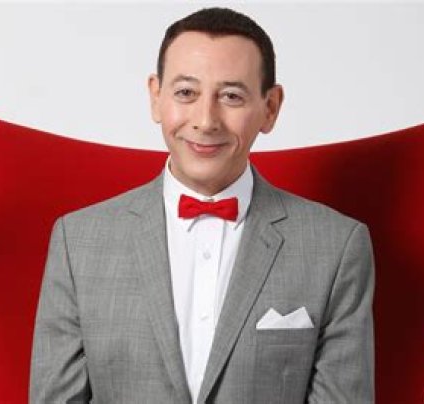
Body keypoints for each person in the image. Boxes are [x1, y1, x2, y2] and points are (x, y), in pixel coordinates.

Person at [30, 7, 374, 403]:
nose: (206, 120)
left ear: (270, 108)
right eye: (186, 93)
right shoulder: (77, 243)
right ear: (156, 97)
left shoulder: (337, 247)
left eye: (231, 96)